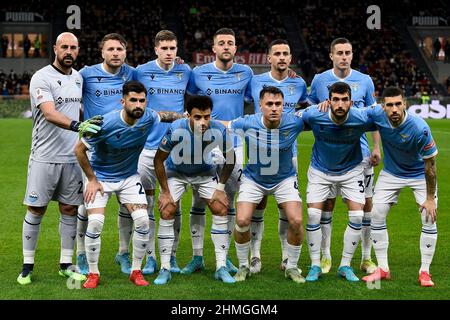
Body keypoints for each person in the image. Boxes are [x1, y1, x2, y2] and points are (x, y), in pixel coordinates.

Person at [74, 81, 183, 289]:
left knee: (142, 220)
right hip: (102, 177)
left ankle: (136, 271)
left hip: (129, 178)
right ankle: (93, 273)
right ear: (123, 101)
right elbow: (79, 150)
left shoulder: (148, 117)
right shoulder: (104, 123)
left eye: (142, 100)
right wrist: (92, 180)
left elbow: (164, 115)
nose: (138, 105)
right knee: (95, 221)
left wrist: (184, 117)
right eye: (133, 100)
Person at [17, 32, 102, 285]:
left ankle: (66, 264)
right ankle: (27, 267)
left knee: (69, 209)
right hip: (44, 156)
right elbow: (50, 113)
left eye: (73, 47)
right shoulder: (41, 77)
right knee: (36, 208)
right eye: (63, 46)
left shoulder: (78, 78)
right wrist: (79, 126)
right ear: (55, 48)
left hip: (72, 158)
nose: (68, 51)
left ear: (77, 51)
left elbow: (78, 107)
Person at [308, 37, 380, 275]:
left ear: (352, 54)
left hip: (360, 154)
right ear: (331, 55)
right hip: (329, 153)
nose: (344, 57)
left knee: (365, 206)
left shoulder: (364, 80)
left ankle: (366, 257)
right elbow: (308, 109)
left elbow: (374, 118)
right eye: (339, 52)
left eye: (348, 52)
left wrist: (377, 148)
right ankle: (326, 256)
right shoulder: (319, 81)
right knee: (326, 205)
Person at [185, 28, 253, 275]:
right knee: (198, 199)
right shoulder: (198, 74)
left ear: (236, 48)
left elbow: (255, 95)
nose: (226, 46)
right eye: (221, 43)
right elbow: (188, 100)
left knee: (229, 200)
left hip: (234, 144)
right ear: (213, 48)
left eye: (230, 43)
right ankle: (197, 256)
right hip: (204, 144)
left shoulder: (245, 73)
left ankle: (226, 258)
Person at [222, 86, 306, 283]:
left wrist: (325, 105)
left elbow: (316, 114)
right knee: (242, 220)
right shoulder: (248, 122)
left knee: (296, 221)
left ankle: (292, 267)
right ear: (260, 106)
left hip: (284, 179)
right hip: (254, 180)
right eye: (269, 104)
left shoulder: (295, 122)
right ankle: (243, 265)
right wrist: (195, 118)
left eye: (278, 104)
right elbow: (224, 123)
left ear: (284, 105)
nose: (274, 108)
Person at [153, 95, 236, 284]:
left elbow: (230, 159)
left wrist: (220, 188)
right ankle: (165, 268)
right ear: (188, 115)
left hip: (205, 173)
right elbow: (158, 160)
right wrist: (165, 192)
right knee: (167, 209)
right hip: (177, 173)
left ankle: (221, 266)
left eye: (207, 117)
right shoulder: (176, 128)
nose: (203, 122)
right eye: (198, 117)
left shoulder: (219, 130)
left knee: (220, 208)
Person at [361, 87, 438, 287]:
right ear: (383, 106)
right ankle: (383, 269)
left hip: (419, 174)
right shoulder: (377, 114)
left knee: (429, 217)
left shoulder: (419, 128)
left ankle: (425, 272)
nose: (394, 109)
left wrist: (430, 199)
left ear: (405, 104)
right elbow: (353, 112)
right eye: (390, 105)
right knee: (376, 214)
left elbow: (430, 167)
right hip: (391, 173)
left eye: (398, 104)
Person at [302, 82, 376, 282]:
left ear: (351, 102)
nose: (340, 104)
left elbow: (384, 117)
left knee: (358, 216)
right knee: (313, 214)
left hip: (351, 170)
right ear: (329, 101)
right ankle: (316, 264)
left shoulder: (360, 117)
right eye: (336, 99)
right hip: (320, 170)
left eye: (344, 100)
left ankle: (345, 265)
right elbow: (290, 122)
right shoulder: (314, 114)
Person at [76, 33, 135, 276]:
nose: (115, 53)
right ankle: (81, 253)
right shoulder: (86, 74)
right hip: (94, 149)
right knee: (86, 203)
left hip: (124, 149)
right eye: (110, 49)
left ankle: (123, 252)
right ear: (102, 52)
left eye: (119, 49)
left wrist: (179, 62)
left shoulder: (132, 73)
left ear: (125, 52)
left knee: (126, 202)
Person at [248, 39, 308, 273]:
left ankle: (285, 256)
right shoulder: (254, 81)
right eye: (277, 54)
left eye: (286, 53)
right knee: (258, 204)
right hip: (258, 151)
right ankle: (255, 255)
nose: (282, 57)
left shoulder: (299, 82)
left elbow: (306, 108)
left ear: (290, 58)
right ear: (269, 58)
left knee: (286, 207)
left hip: (288, 153)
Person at [134, 30, 191, 275]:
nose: (169, 53)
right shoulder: (141, 71)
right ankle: (150, 258)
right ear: (155, 49)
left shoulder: (185, 71)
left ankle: (173, 256)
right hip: (147, 147)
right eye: (164, 48)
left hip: (176, 148)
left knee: (173, 205)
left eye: (173, 48)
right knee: (146, 204)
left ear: (177, 50)